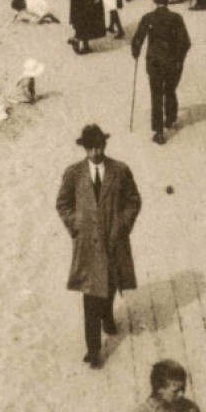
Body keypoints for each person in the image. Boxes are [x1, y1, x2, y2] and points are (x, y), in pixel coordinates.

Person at [55, 124, 141, 369]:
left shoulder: (120, 171)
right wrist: (76, 225)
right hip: (89, 247)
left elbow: (133, 200)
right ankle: (93, 350)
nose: (95, 152)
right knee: (90, 296)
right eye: (90, 148)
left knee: (111, 283)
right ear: (84, 148)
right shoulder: (73, 174)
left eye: (99, 147)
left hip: (114, 242)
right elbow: (63, 204)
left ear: (105, 144)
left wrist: (122, 224)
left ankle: (108, 315)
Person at [131, 0, 192, 145]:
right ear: (167, 0)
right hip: (172, 63)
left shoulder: (148, 18)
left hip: (155, 63)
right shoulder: (176, 18)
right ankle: (171, 119)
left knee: (156, 95)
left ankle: (158, 132)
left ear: (154, 1)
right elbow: (185, 43)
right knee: (170, 90)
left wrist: (136, 51)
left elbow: (137, 40)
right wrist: (179, 60)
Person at [130, 360, 205, 412]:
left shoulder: (191, 410)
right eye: (175, 391)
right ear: (159, 389)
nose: (181, 394)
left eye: (183, 389)